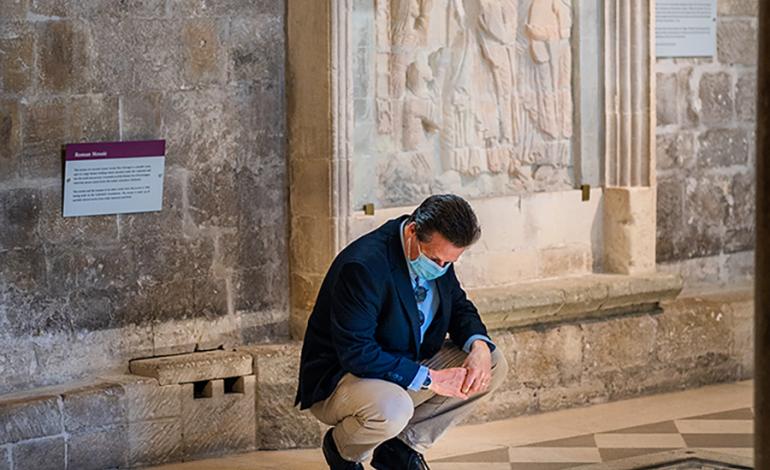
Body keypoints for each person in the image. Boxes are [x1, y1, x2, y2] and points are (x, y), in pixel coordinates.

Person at [294, 194, 508, 470]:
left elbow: (458, 306)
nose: (441, 268)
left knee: (491, 361)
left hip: (404, 365)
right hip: (344, 378)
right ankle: (342, 448)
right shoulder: (363, 266)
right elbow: (357, 353)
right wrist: (431, 379)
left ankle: (401, 448)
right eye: (435, 260)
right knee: (394, 410)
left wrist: (478, 346)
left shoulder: (440, 259)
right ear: (412, 232)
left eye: (449, 263)